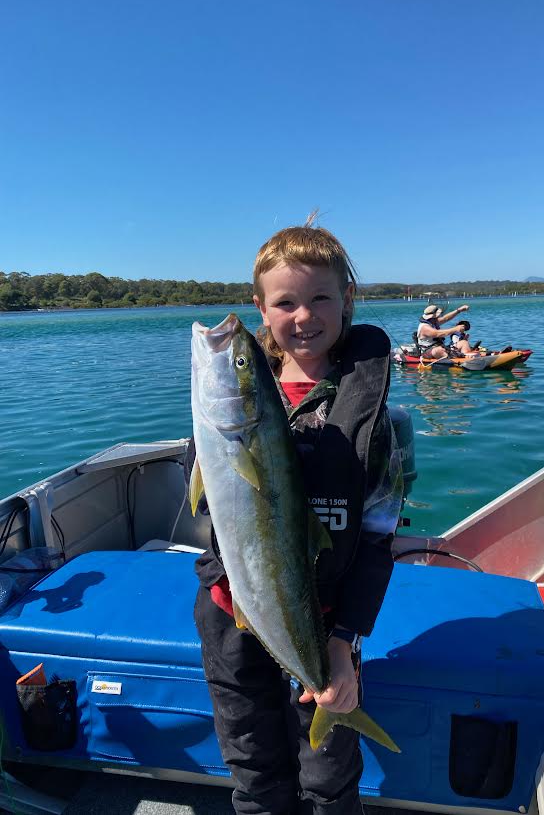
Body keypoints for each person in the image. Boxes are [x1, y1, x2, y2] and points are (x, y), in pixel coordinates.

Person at [191, 215, 403, 814]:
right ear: (261, 307)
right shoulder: (233, 396)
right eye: (285, 302)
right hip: (228, 610)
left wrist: (340, 646)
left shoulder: (376, 420)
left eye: (320, 299)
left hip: (322, 620)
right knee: (252, 764)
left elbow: (380, 536)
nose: (304, 316)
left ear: (347, 301)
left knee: (327, 778)